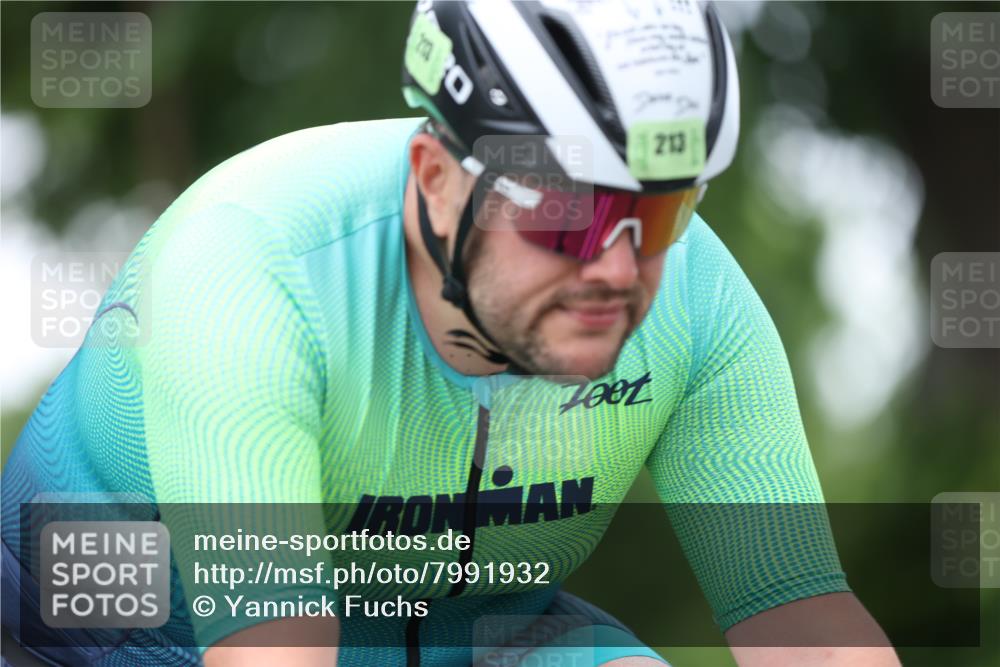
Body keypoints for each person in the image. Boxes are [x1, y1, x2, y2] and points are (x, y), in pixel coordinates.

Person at [2, 1, 901, 666]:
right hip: (127, 622)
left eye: (661, 213)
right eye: (566, 211)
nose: (619, 271)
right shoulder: (250, 261)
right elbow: (272, 648)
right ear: (436, 178)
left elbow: (805, 625)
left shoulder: (700, 299)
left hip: (469, 624)